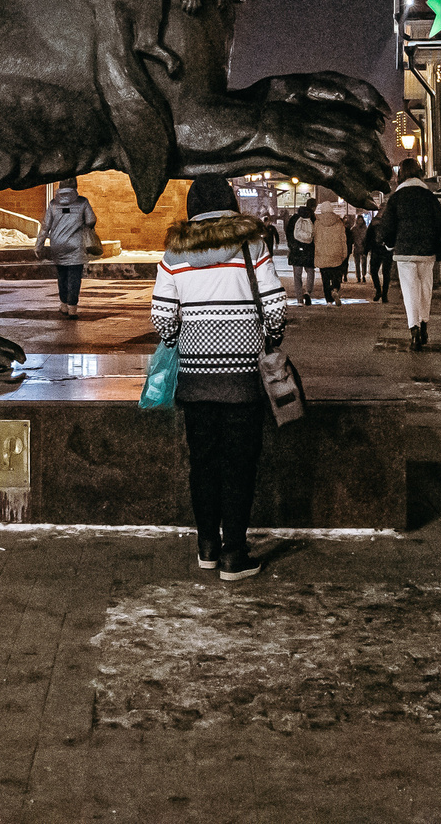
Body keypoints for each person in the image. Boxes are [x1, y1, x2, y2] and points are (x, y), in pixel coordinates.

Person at [152, 174, 285, 581]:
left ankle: (207, 546)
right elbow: (276, 309)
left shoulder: (174, 254)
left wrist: (184, 338)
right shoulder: (253, 245)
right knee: (240, 464)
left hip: (195, 376)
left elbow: (162, 319)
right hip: (243, 377)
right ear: (231, 203)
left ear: (192, 207)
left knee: (203, 462)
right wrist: (267, 338)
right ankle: (234, 555)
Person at [374, 159, 441, 349]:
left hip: (405, 252)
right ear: (420, 172)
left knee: (410, 291)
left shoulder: (396, 198)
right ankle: (424, 324)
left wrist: (390, 245)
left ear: (401, 175)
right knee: (426, 288)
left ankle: (414, 331)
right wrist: (434, 240)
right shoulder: (428, 196)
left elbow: (387, 226)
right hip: (426, 252)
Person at [34, 180, 100, 316]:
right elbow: (91, 220)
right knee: (74, 276)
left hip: (57, 245)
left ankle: (63, 305)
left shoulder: (53, 204)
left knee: (62, 275)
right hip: (76, 245)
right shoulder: (82, 202)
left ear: (60, 187)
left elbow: (46, 226)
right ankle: (72, 308)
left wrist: (38, 245)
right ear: (75, 186)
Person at [312, 187, 353, 304]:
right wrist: (344, 254)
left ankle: (328, 301)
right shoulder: (339, 222)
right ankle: (335, 289)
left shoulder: (317, 223)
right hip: (336, 254)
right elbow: (343, 240)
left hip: (322, 254)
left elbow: (314, 238)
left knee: (325, 278)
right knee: (336, 276)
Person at [284, 198, 318, 300]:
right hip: (309, 249)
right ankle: (308, 291)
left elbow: (288, 233)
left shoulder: (294, 218)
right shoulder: (313, 218)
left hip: (296, 251)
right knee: (310, 272)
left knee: (297, 275)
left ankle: (299, 298)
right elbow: (315, 235)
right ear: (314, 207)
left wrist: (292, 246)